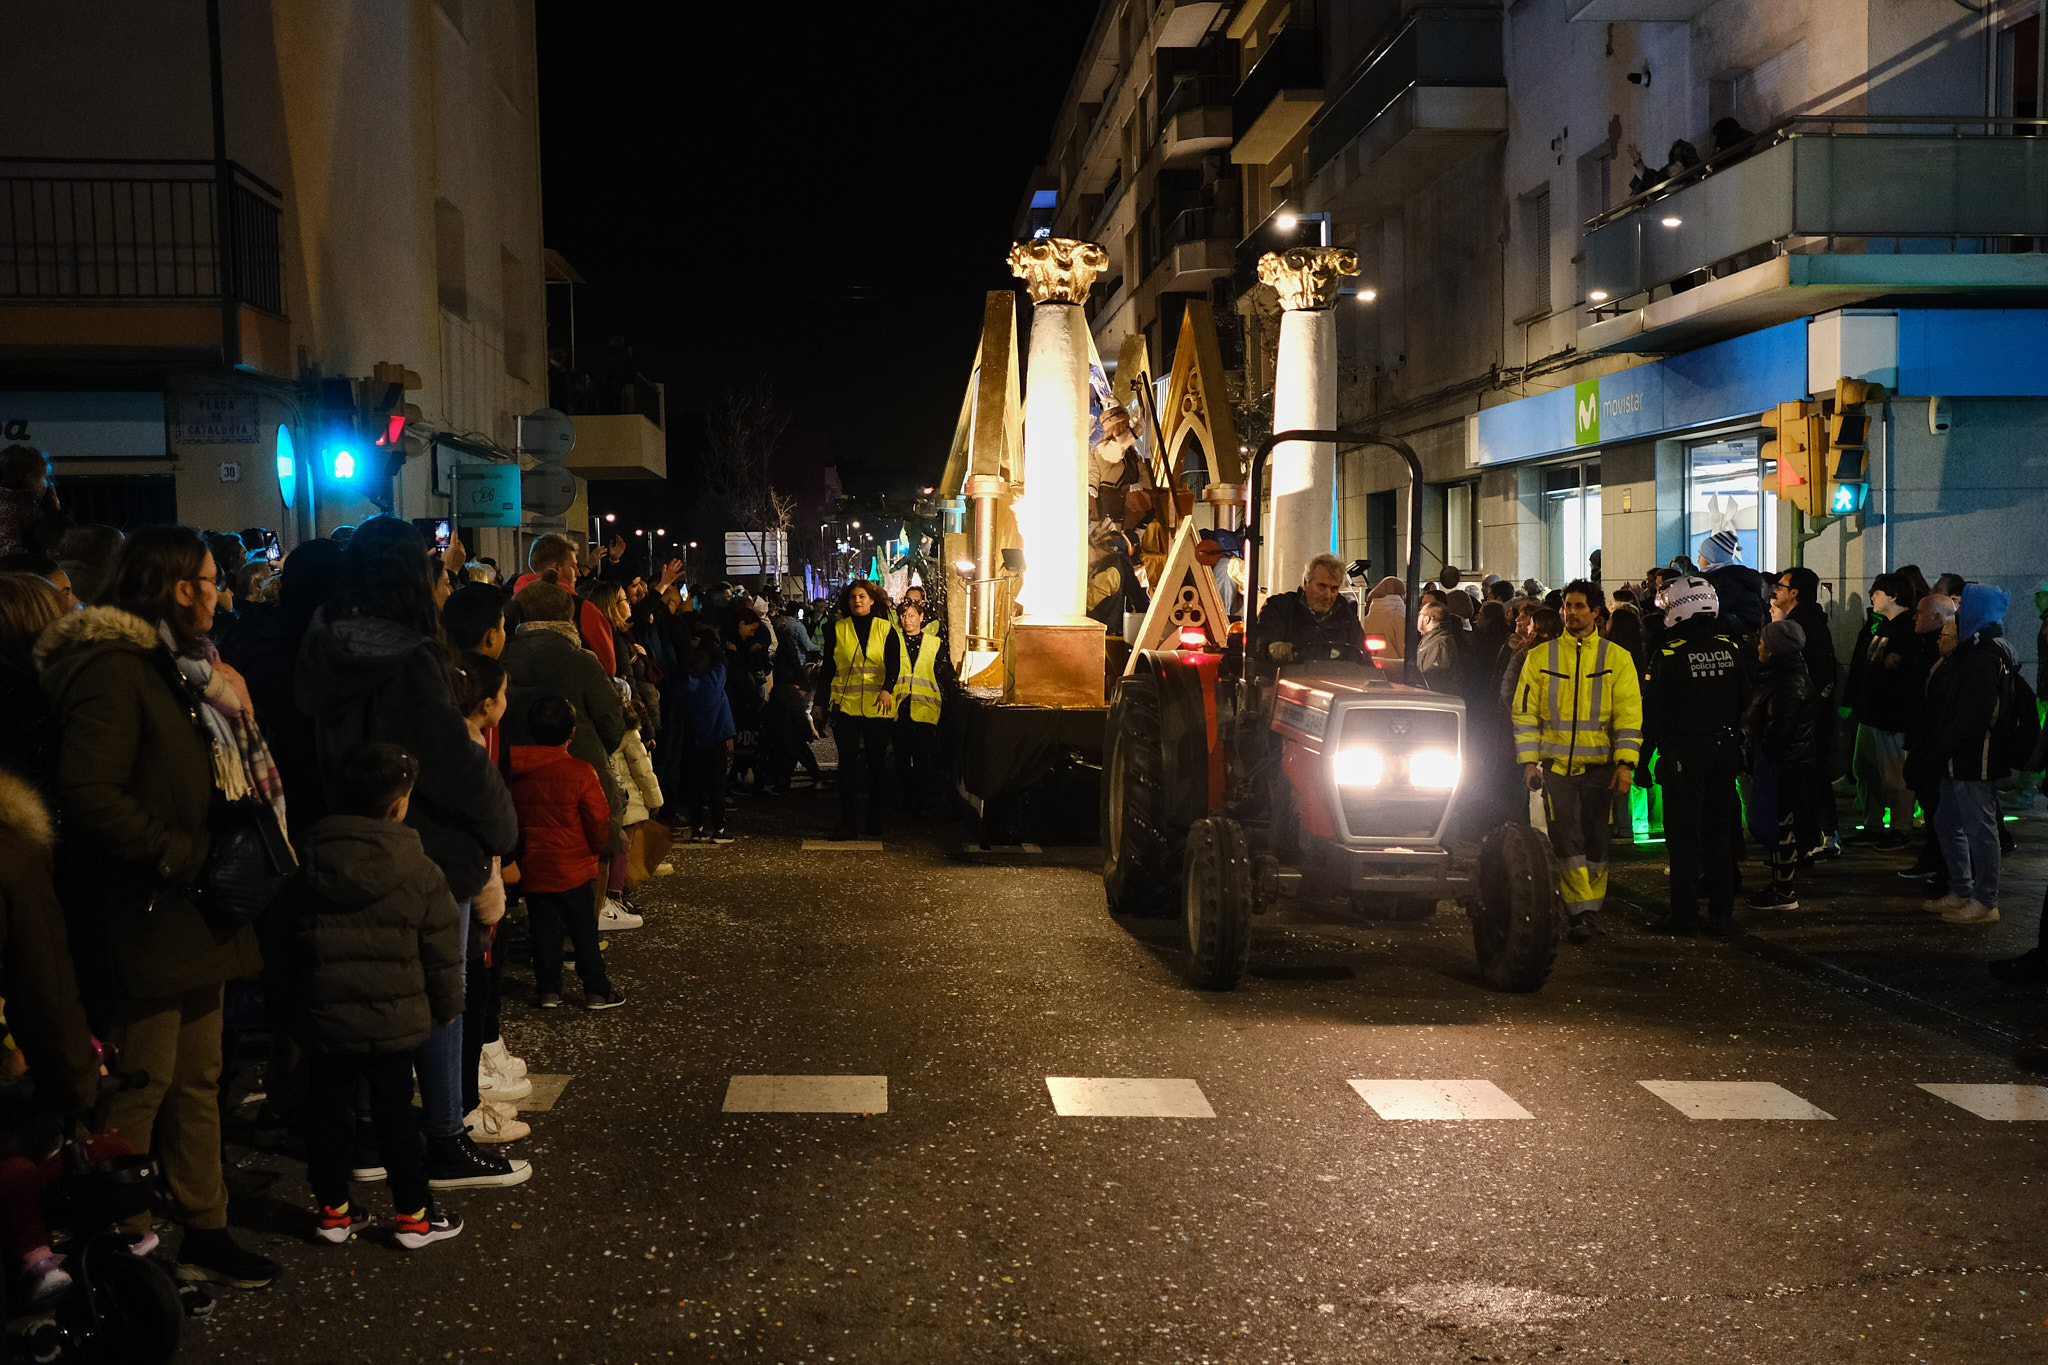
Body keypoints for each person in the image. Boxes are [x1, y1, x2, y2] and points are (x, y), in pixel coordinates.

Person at [35, 526, 279, 1287]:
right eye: (210, 580)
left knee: (198, 1076)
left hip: (193, 910)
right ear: (179, 589)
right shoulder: (113, 669)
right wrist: (176, 849)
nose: (220, 592)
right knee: (141, 1080)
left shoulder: (179, 669)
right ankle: (123, 1240)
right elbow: (89, 791)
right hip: (146, 908)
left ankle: (205, 1223)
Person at [295, 516, 524, 1193]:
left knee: (366, 990)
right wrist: (503, 825)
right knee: (438, 994)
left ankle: (368, 1131)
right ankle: (445, 1136)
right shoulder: (413, 656)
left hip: (344, 835)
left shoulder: (321, 645)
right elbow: (451, 759)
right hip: (425, 847)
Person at [285, 742, 466, 1250]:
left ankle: (334, 1213)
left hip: (324, 1019)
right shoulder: (420, 870)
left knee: (326, 1115)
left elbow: (284, 944)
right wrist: (449, 1006)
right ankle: (413, 1217)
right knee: (396, 1119)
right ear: (399, 804)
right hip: (393, 1019)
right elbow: (442, 952)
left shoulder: (306, 861)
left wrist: (289, 1008)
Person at [1511, 580, 1642, 942]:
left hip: (1601, 769)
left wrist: (1625, 764)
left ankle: (1589, 909)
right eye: (1567, 606)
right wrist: (1529, 762)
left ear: (1596, 612)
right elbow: (1525, 714)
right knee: (1567, 840)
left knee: (1597, 843)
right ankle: (1580, 913)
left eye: (1579, 606)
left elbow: (1629, 716)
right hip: (1557, 771)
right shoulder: (1540, 657)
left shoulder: (1617, 659)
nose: (1571, 612)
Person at [498, 581, 630, 927]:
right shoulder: (581, 660)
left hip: (515, 772)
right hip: (579, 768)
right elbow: (611, 722)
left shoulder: (501, 656)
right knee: (595, 843)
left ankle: (540, 930)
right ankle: (582, 932)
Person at [1643, 577, 1746, 934]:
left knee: (1684, 838)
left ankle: (1684, 914)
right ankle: (1722, 912)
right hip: (1725, 749)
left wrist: (1643, 763)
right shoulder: (1731, 648)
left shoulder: (1669, 655)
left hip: (1685, 754)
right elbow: (1746, 699)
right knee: (1719, 833)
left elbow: (1652, 716)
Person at [509, 695, 625, 1009]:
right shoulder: (581, 772)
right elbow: (598, 820)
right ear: (572, 732)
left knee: (543, 929)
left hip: (534, 864)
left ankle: (548, 990)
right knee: (584, 930)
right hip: (573, 867)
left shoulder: (516, 772)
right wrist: (595, 849)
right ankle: (597, 990)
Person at [1924, 583, 2015, 926]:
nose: (1958, 615)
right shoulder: (1980, 649)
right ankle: (1962, 890)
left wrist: (1944, 745)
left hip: (1974, 756)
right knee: (1948, 822)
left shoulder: (1983, 655)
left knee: (1978, 828)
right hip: (1961, 754)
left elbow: (1975, 714)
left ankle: (1984, 899)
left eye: (1964, 608)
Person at [814, 579, 900, 839]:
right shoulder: (837, 629)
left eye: (862, 596)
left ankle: (874, 820)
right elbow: (828, 667)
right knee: (846, 766)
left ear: (872, 600)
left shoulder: (886, 629)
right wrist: (820, 701)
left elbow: (894, 665)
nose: (857, 601)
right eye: (853, 597)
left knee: (876, 765)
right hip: (846, 707)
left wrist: (888, 688)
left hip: (877, 707)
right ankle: (848, 822)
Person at [1847, 573, 1926, 849]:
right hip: (1871, 714)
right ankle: (1873, 825)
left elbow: (1908, 674)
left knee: (1895, 777)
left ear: (1893, 596)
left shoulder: (1909, 629)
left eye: (1877, 592)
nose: (1872, 596)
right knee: (1866, 770)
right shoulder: (1884, 626)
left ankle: (1900, 828)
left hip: (1892, 716)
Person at [1743, 619, 1817, 911]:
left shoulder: (1790, 681)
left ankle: (1784, 890)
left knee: (1782, 826)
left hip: (1787, 765)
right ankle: (1779, 885)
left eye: (1763, 641)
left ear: (1774, 650)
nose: (1758, 645)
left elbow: (1779, 729)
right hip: (1783, 762)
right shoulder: (1782, 674)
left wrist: (1762, 748)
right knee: (1778, 824)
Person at [1772, 567, 1842, 859]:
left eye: (1781, 585)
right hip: (1813, 712)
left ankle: (1814, 838)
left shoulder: (1800, 623)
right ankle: (1821, 835)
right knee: (1813, 775)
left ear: (1795, 592)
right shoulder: (1808, 620)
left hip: (1806, 716)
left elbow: (1811, 672)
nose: (1775, 590)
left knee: (1808, 776)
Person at [506, 534, 615, 675]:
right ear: (556, 568)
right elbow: (608, 666)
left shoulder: (508, 608)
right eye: (573, 566)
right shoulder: (582, 608)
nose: (578, 573)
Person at [1254, 553, 1368, 677]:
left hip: (1337, 685)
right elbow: (1262, 642)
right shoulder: (1280, 607)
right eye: (1322, 586)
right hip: (1287, 685)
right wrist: (1272, 648)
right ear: (1306, 583)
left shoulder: (1347, 617)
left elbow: (1363, 658)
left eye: (1334, 589)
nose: (1328, 595)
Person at [677, 622, 738, 841]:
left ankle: (696, 829)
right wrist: (710, 643)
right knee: (716, 785)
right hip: (716, 739)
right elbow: (723, 659)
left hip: (693, 740)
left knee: (695, 785)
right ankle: (719, 828)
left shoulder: (685, 683)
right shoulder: (715, 679)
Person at [893, 597, 949, 818]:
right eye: (904, 615)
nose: (907, 620)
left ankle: (917, 802)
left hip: (925, 709)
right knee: (901, 759)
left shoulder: (934, 644)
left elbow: (943, 672)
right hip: (899, 710)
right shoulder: (893, 640)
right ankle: (907, 799)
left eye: (912, 615)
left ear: (922, 618)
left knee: (922, 759)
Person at [1695, 529, 1766, 636]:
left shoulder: (1724, 581)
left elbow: (1716, 609)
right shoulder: (1735, 576)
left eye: (1701, 554)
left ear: (1711, 557)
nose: (1698, 559)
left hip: (1735, 634)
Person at [1360, 577, 1407, 660]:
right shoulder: (1400, 620)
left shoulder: (1365, 620)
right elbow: (1405, 652)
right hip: (1393, 668)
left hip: (1369, 665)